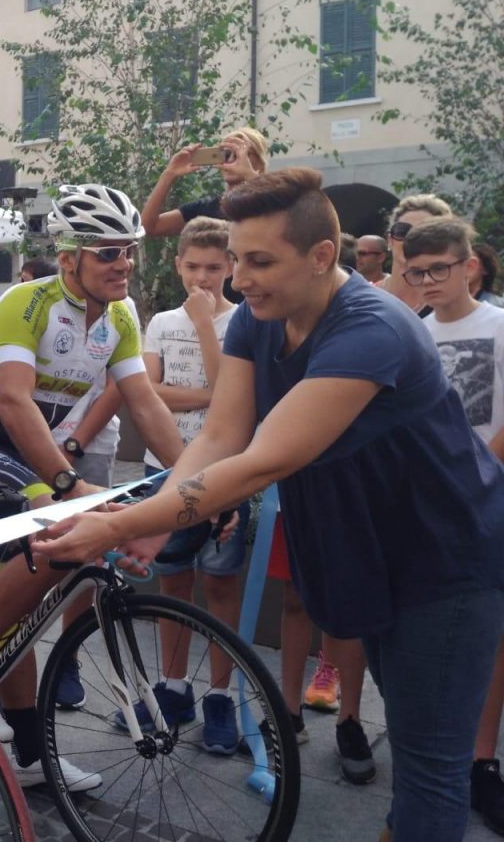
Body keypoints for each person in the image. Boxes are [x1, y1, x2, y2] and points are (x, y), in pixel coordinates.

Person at [35, 167, 504, 842]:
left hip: (445, 560)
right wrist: (158, 517)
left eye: (259, 262)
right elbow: (221, 435)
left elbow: (263, 459)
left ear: (320, 256)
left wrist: (119, 524)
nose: (239, 280)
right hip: (363, 547)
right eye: (236, 260)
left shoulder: (373, 329)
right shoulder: (262, 319)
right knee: (411, 742)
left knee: (430, 767)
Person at [0, 183, 185, 790]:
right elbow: (13, 403)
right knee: (56, 531)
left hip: (29, 452)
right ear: (70, 257)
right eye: (108, 253)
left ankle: (29, 757)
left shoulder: (120, 316)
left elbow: (144, 402)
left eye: (129, 251)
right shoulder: (28, 302)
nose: (124, 263)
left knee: (23, 607)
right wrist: (67, 483)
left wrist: (191, 481)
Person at [403, 217, 504, 834]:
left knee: (492, 628)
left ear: (469, 265)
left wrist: (475, 479)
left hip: (488, 497)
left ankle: (482, 759)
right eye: (416, 273)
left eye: (438, 269)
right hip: (430, 509)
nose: (428, 282)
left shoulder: (498, 326)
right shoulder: (412, 331)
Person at [139, 216, 246, 754]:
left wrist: (206, 326)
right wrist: (213, 399)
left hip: (226, 471)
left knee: (221, 584)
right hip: (166, 467)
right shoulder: (161, 322)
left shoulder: (244, 320)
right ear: (178, 264)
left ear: (230, 267)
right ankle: (174, 686)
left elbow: (235, 392)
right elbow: (150, 393)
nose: (202, 278)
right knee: (173, 580)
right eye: (193, 267)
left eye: (213, 267)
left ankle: (220, 696)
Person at [141, 127, 269, 237]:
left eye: (242, 154)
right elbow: (147, 227)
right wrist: (169, 173)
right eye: (225, 153)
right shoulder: (205, 209)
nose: (231, 159)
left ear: (260, 163)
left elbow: (276, 208)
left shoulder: (270, 206)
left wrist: (250, 175)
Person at [379, 194, 454, 314]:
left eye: (424, 233)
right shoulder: (362, 297)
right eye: (403, 231)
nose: (411, 239)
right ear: (390, 240)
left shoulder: (452, 308)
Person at [472, 241, 504, 308]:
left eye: (473, 263)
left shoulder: (497, 306)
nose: (466, 266)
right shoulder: (451, 299)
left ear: (486, 269)